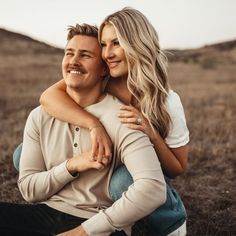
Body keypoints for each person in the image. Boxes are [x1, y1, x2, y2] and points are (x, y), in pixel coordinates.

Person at [13, 7, 189, 236]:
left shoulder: (166, 100)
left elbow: (178, 168)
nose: (108, 53)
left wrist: (151, 133)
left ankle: (170, 224)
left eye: (116, 43)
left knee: (122, 181)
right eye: (104, 45)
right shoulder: (103, 80)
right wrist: (93, 124)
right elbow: (48, 97)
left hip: (142, 168)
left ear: (136, 44)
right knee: (22, 154)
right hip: (109, 161)